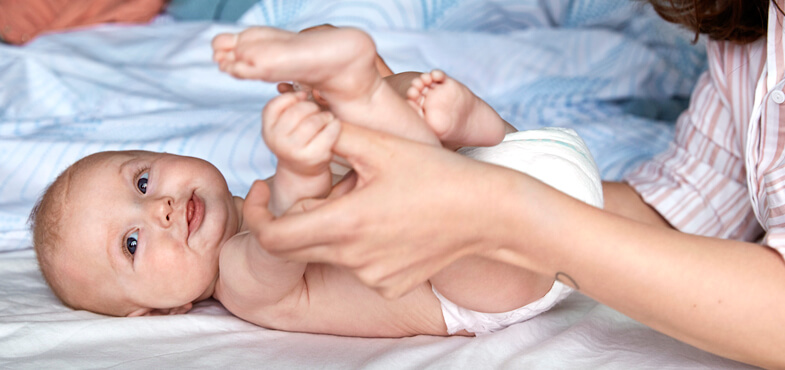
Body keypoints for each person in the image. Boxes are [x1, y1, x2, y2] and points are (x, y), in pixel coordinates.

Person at [239, 1, 785, 368]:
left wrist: (505, 212)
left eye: (146, 182)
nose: (163, 210)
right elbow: (685, 197)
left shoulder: (237, 274)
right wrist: (501, 180)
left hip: (494, 267)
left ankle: (373, 100)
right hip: (534, 191)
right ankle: (375, 97)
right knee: (436, 161)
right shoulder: (755, 36)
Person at [28, 26, 601, 337]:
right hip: (494, 280)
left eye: (144, 181)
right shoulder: (241, 282)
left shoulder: (258, 198)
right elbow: (290, 234)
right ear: (158, 311)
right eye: (132, 244)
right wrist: (308, 157)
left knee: (388, 158)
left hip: (520, 166)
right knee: (396, 178)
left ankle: (428, 113)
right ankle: (396, 98)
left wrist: (321, 119)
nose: (162, 211)